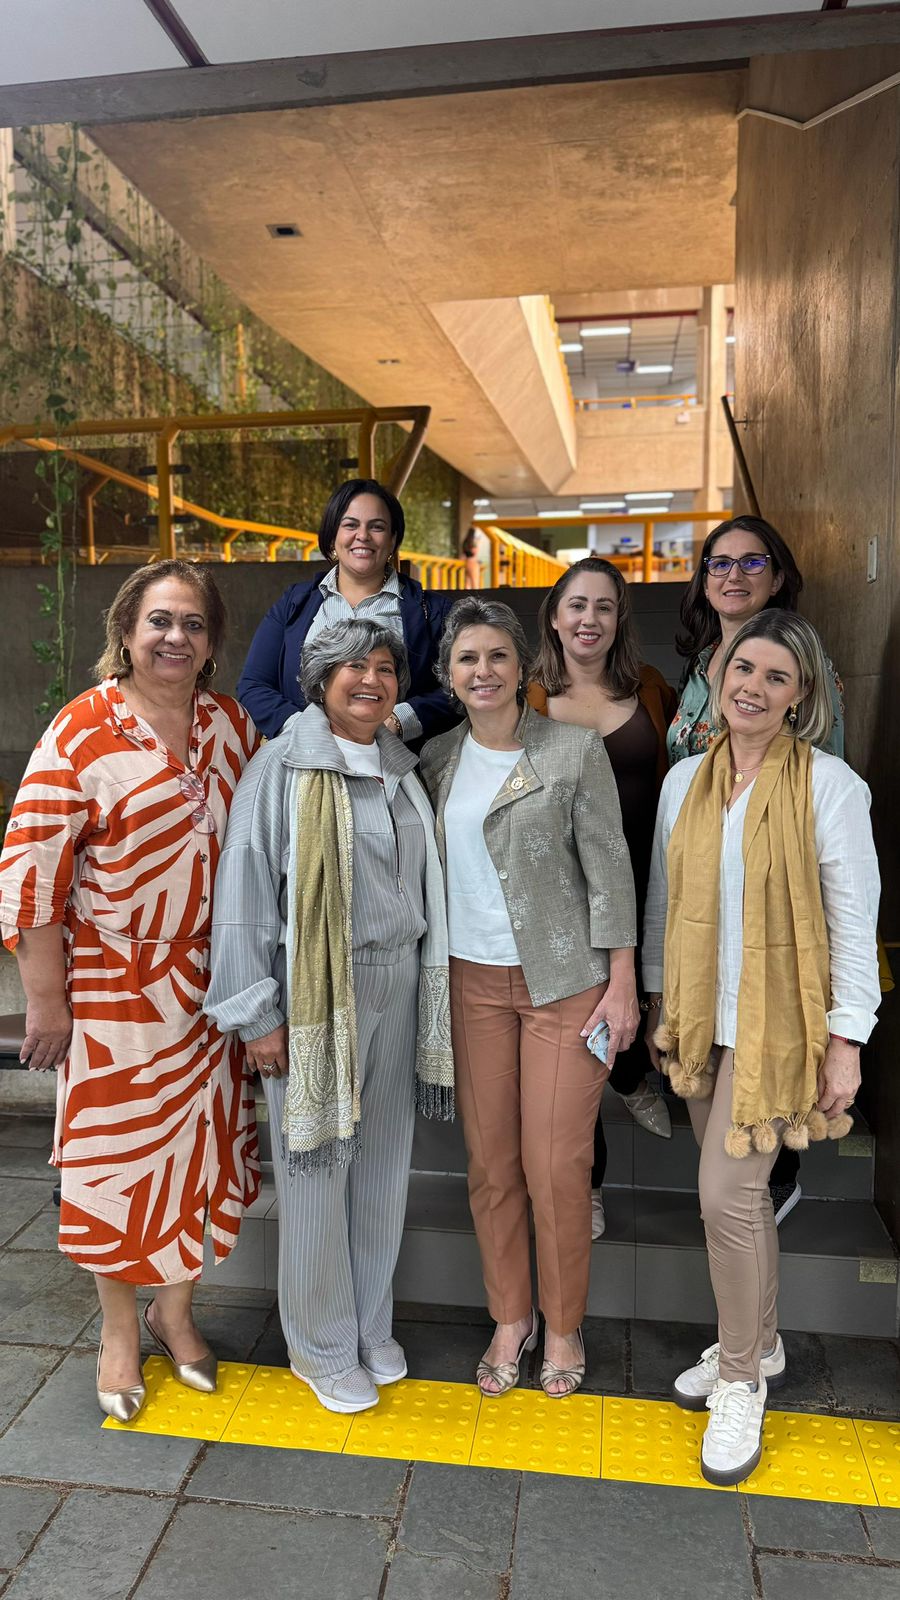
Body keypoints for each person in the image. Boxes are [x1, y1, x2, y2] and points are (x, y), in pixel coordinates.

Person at [0, 561, 260, 1423]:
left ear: (212, 641)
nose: (175, 637)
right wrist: (47, 1001)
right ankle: (118, 1330)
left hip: (210, 986)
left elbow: (261, 849)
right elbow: (32, 873)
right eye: (159, 621)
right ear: (125, 630)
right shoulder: (82, 730)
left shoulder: (231, 726)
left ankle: (173, 1313)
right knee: (117, 1162)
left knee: (198, 1158)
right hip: (114, 987)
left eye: (192, 623)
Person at [644, 610, 879, 1485]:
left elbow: (853, 924)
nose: (753, 686)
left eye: (777, 677)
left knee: (726, 1199)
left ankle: (741, 1379)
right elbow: (666, 903)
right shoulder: (685, 783)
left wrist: (847, 1042)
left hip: (780, 1033)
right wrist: (663, 1003)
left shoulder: (831, 787)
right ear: (719, 674)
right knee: (739, 1206)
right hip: (704, 1022)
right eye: (744, 668)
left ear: (800, 696)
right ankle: (763, 1343)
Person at [206, 620, 454, 1416]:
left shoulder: (402, 768)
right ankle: (319, 1344)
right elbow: (244, 893)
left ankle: (369, 1324)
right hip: (317, 991)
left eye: (385, 667)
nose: (371, 679)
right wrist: (257, 1015)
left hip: (400, 981)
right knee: (316, 1171)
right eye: (353, 667)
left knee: (381, 1168)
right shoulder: (281, 766)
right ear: (319, 681)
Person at [420, 597, 637, 1399]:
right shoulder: (434, 760)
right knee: (491, 1164)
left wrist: (622, 983)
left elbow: (611, 871)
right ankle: (511, 1317)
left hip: (564, 983)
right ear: (448, 673)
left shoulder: (573, 750)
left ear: (522, 668)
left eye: (497, 656)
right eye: (467, 659)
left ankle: (564, 1323)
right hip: (469, 983)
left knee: (557, 1164)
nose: (482, 671)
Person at [668, 514, 845, 1223]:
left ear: (778, 578)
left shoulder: (803, 671)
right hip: (703, 899)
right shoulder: (701, 665)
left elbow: (820, 804)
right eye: (719, 562)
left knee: (732, 1187)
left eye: (752, 562)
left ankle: (777, 1173)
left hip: (772, 901)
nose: (733, 575)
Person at [528, 557, 678, 1240]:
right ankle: (588, 1183)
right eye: (577, 605)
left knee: (633, 1005)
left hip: (648, 884)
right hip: (565, 900)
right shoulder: (528, 698)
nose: (589, 619)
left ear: (619, 620)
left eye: (605, 607)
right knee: (574, 1037)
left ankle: (632, 1074)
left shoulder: (650, 689)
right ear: (555, 617)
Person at [237, 478, 456, 743]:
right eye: (350, 525)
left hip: (394, 757)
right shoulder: (294, 603)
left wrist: (399, 721)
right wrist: (304, 729)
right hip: (305, 756)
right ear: (332, 536)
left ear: (392, 540)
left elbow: (458, 687)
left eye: (377, 527)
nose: (362, 536)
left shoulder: (433, 612)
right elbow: (253, 685)